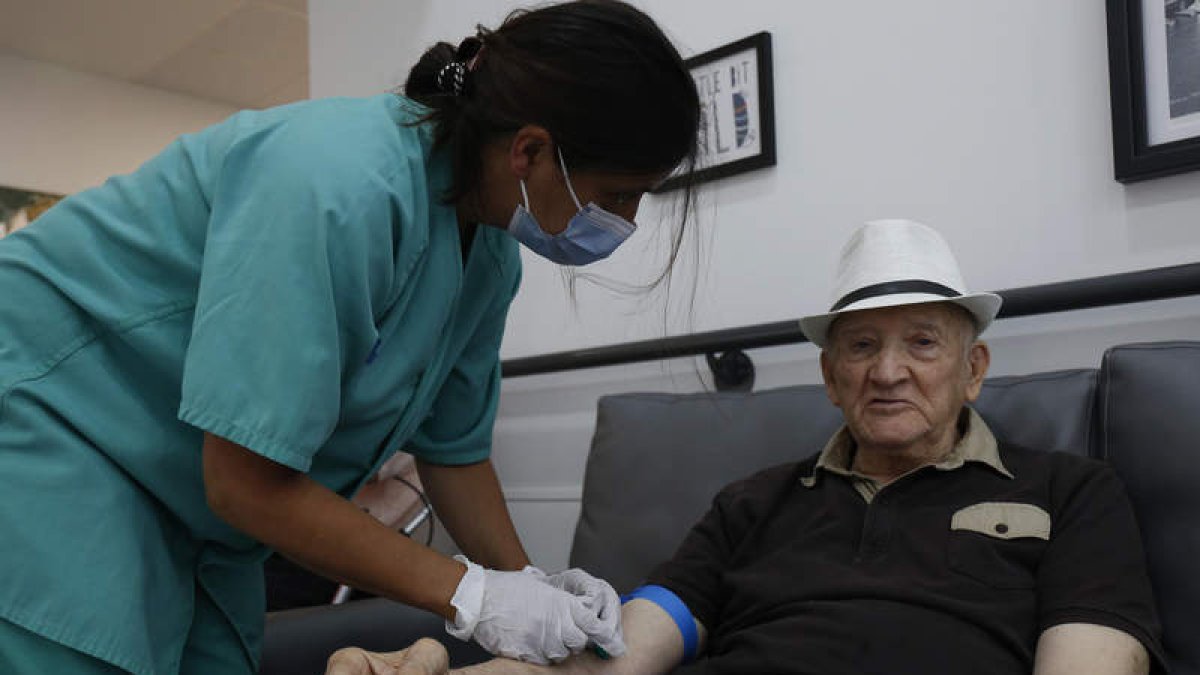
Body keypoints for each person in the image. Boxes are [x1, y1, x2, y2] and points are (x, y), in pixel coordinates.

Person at [0, 1, 700, 673]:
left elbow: (454, 454)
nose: (626, 221)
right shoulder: (333, 181)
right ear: (530, 151)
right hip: (54, 421)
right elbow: (247, 481)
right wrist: (474, 595)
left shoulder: (488, 256)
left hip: (190, 501)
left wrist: (532, 587)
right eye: (617, 195)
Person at [326, 219, 1165, 675]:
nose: (889, 372)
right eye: (862, 348)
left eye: (922, 342)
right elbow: (634, 646)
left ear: (974, 369)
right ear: (831, 377)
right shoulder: (758, 500)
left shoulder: (1068, 489)